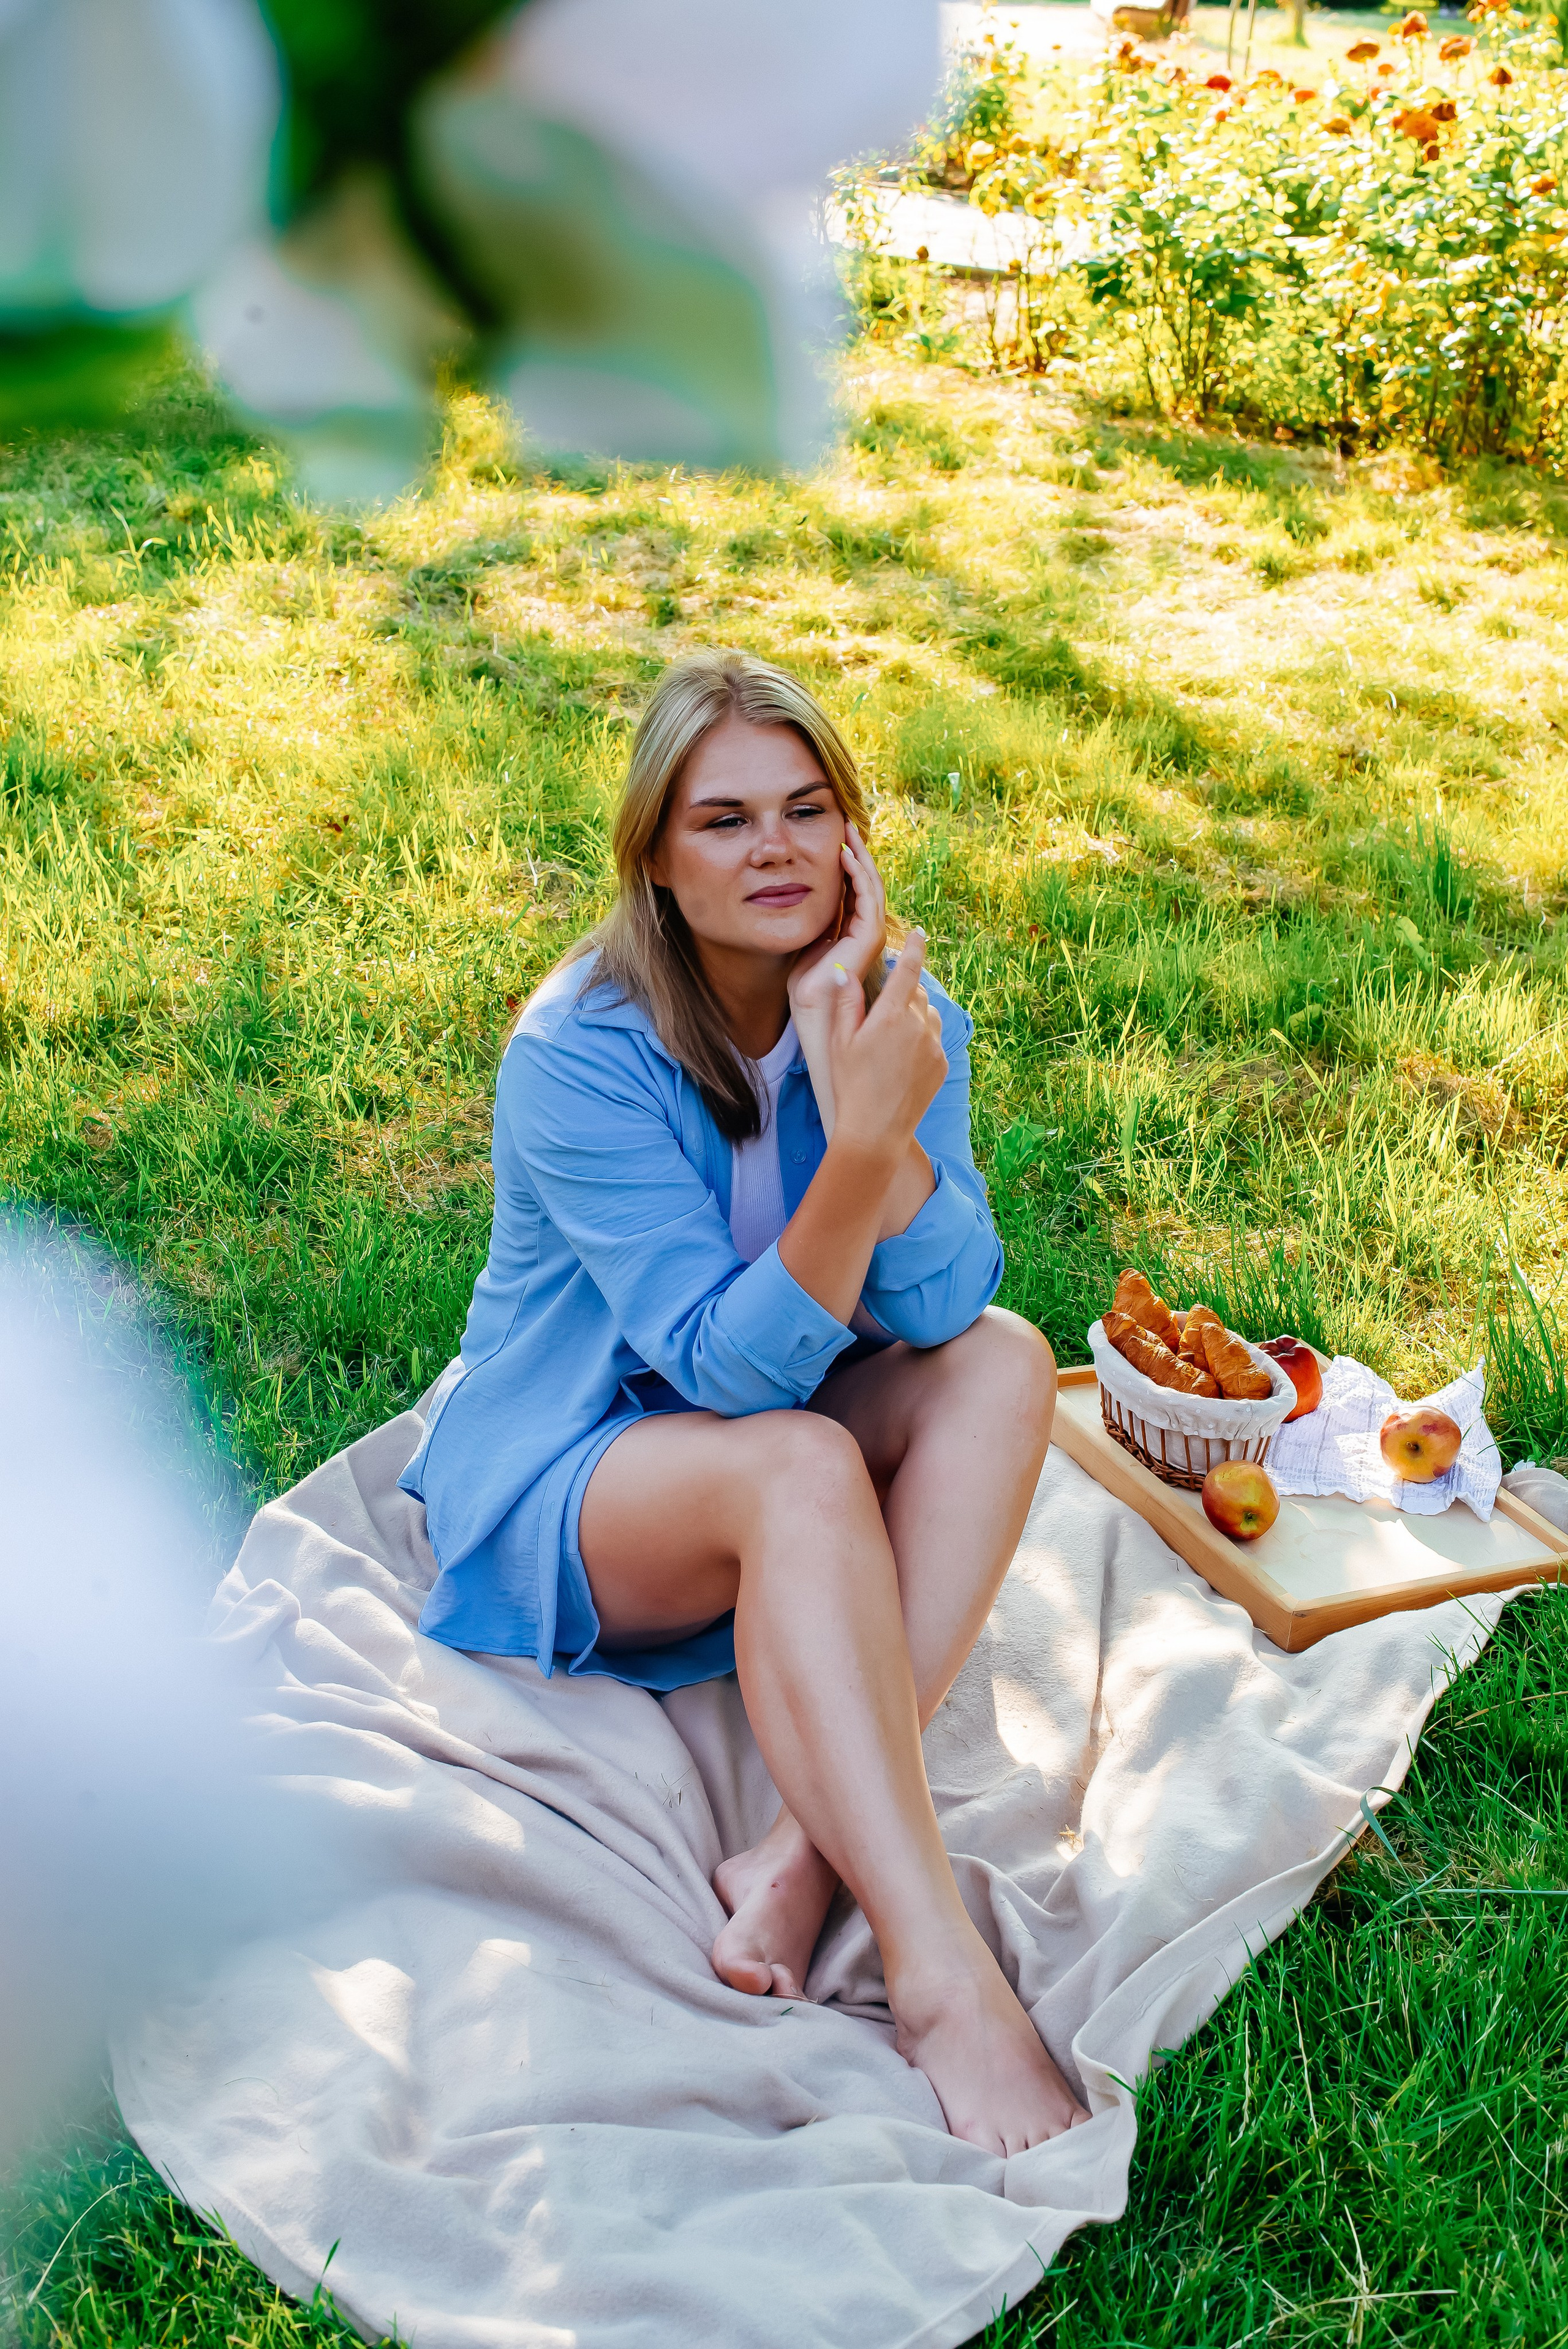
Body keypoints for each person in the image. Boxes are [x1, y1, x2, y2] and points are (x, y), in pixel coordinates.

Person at [401, 649, 1085, 2152]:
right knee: (795, 1460)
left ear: (852, 836)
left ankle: (798, 1849)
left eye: (805, 809)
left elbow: (938, 1306)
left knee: (1006, 1360)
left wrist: (873, 1094)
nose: (774, 848)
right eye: (723, 820)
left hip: (769, 1444)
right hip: (577, 1472)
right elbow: (722, 1371)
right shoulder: (577, 1054)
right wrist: (857, 1149)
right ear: (653, 855)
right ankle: (938, 1978)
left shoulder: (901, 1016)